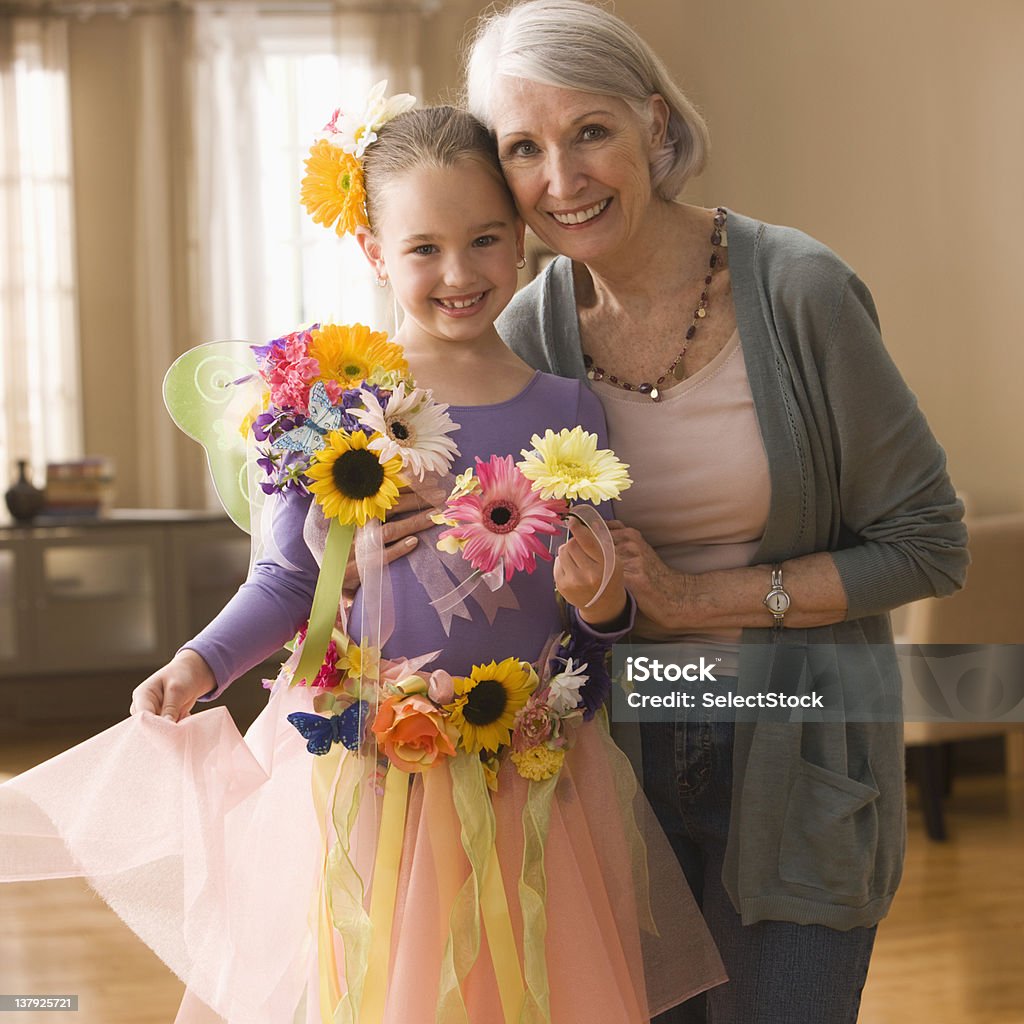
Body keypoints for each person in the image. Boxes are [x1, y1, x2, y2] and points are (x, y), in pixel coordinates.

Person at [0, 102, 724, 1023]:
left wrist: (607, 600)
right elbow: (286, 582)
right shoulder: (331, 406)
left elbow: (599, 631)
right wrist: (203, 659)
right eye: (423, 248)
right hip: (373, 780)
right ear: (377, 253)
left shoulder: (569, 408)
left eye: (485, 240)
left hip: (533, 785)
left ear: (520, 241)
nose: (459, 274)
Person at [463, 2, 969, 1022]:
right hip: (615, 774)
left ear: (654, 124)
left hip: (799, 749)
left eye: (591, 131)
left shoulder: (799, 292)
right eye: (525, 148)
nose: (561, 179)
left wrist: (696, 598)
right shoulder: (528, 331)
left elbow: (926, 544)